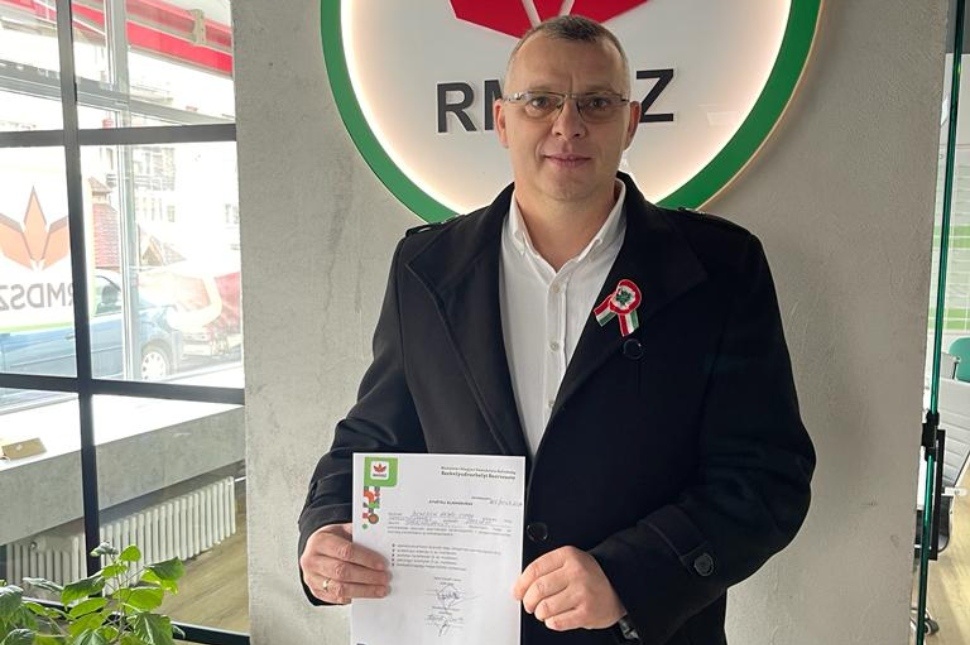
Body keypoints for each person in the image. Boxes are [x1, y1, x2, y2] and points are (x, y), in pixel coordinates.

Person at [299, 15, 815, 645]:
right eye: (540, 101)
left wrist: (629, 576)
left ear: (630, 122)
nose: (567, 125)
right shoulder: (424, 269)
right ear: (501, 120)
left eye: (596, 103)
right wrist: (328, 524)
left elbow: (766, 475)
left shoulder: (721, 269)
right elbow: (374, 436)